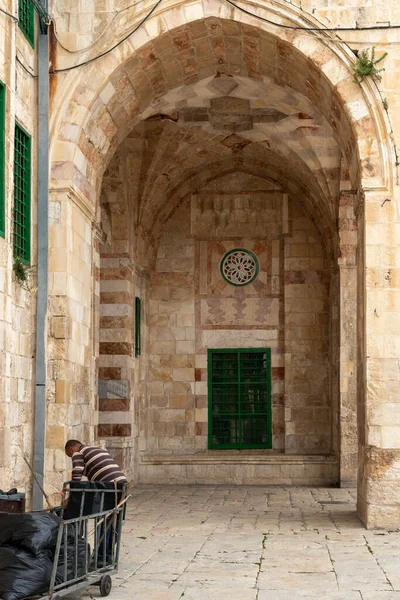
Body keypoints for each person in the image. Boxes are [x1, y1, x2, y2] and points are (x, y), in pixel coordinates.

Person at [64, 440, 127, 564]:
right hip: (121, 484)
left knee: (103, 519)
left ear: (71, 449)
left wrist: (71, 497)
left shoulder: (78, 453)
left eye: (69, 455)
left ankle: (101, 557)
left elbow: (77, 473)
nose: (71, 457)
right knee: (113, 520)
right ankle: (107, 555)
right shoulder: (96, 450)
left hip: (109, 487)